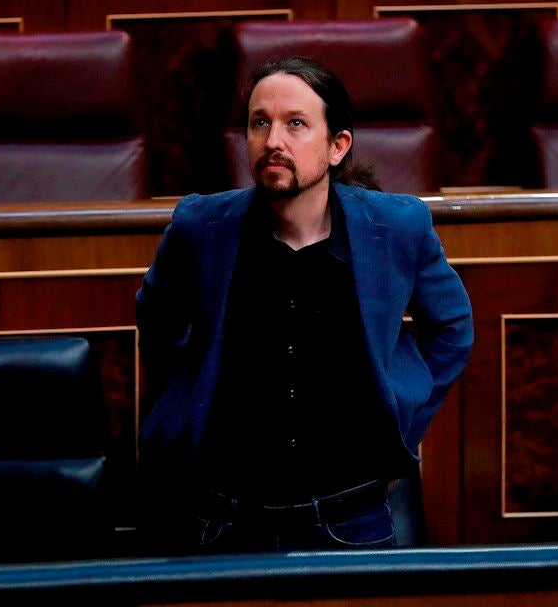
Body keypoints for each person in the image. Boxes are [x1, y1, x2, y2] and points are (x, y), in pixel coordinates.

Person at [135, 56, 473, 552]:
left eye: (295, 123)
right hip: (225, 517)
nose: (273, 140)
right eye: (260, 123)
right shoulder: (200, 227)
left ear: (338, 146)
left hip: (350, 516)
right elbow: (157, 321)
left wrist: (404, 419)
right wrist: (187, 404)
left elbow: (452, 328)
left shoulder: (396, 227)